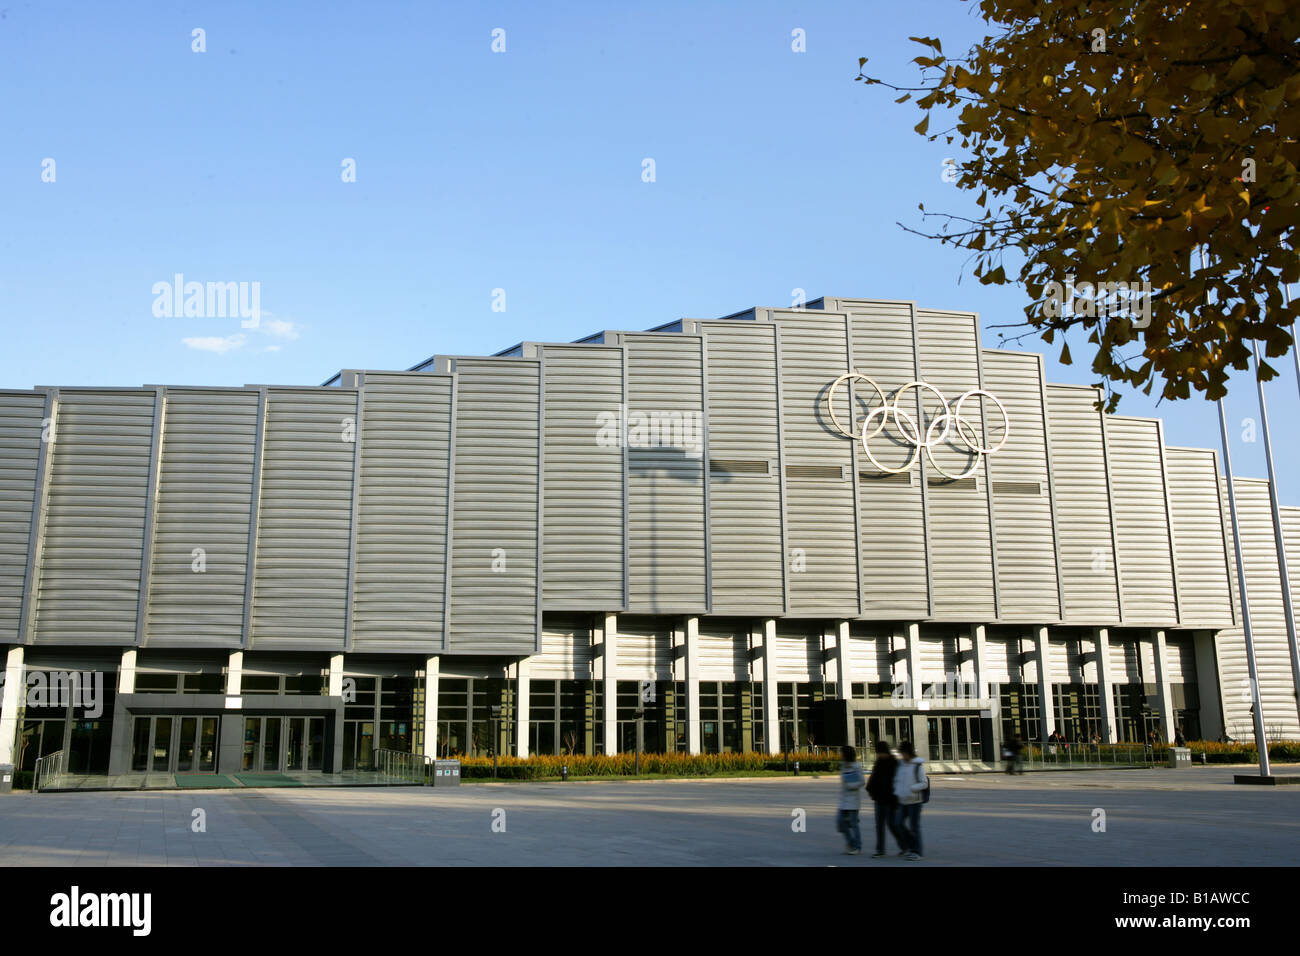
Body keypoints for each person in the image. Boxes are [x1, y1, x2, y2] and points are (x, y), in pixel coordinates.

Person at [892, 740, 929, 861]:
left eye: (903, 753)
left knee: (914, 827)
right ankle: (910, 846)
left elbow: (924, 783)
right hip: (902, 800)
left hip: (914, 801)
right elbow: (897, 780)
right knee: (898, 824)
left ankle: (917, 852)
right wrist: (896, 791)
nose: (902, 756)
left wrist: (912, 788)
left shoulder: (917, 766)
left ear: (908, 752)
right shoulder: (900, 765)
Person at [865, 739, 902, 857]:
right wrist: (870, 790)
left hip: (890, 799)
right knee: (879, 825)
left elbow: (897, 781)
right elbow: (873, 778)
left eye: (879, 752)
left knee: (892, 824)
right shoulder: (879, 762)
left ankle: (904, 845)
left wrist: (895, 797)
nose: (878, 755)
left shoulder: (894, 763)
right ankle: (880, 850)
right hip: (879, 798)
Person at [837, 745, 865, 855]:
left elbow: (862, 781)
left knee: (854, 824)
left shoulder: (856, 766)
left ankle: (857, 846)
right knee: (840, 823)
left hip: (853, 799)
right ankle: (851, 842)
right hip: (844, 799)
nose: (841, 755)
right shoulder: (843, 766)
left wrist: (852, 785)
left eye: (842, 753)